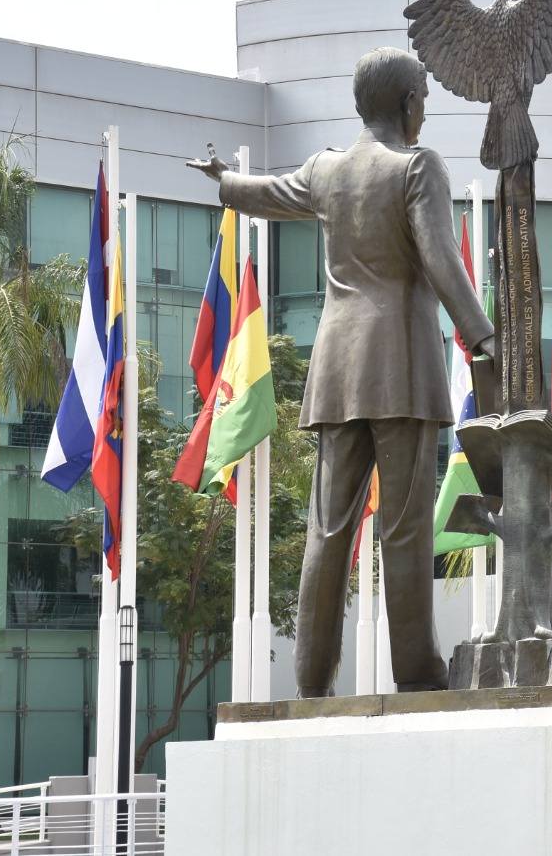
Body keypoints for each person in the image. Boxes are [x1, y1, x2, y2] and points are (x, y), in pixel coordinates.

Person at [188, 47, 493, 695]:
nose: (425, 110)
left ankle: (312, 675)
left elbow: (266, 194)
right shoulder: (417, 167)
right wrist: (482, 336)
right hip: (400, 366)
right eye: (423, 98)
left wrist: (225, 179)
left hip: (337, 369)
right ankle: (418, 673)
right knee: (404, 526)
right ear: (406, 103)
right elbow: (442, 258)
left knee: (328, 528)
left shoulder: (325, 170)